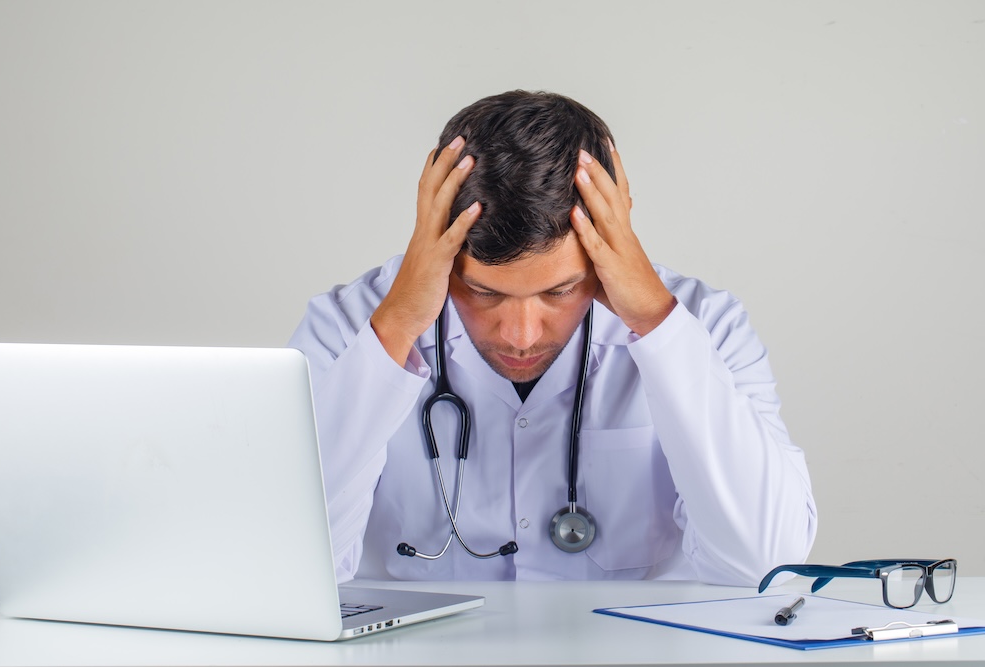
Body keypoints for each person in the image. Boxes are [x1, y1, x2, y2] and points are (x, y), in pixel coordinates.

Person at [289, 90, 816, 586]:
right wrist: (394, 330)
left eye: (560, 290)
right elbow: (290, 566)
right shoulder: (346, 328)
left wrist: (658, 324)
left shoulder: (705, 325)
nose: (521, 336)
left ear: (613, 238)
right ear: (436, 245)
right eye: (482, 291)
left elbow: (762, 566)